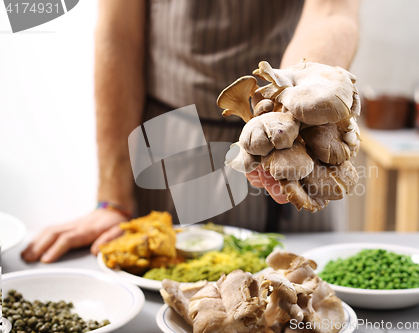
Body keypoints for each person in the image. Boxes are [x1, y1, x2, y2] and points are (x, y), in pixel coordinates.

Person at [22, 0, 360, 263]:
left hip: (300, 144)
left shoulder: (293, 131)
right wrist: (113, 201)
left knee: (305, 300)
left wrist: (289, 120)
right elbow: (120, 36)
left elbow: (331, 11)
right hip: (174, 150)